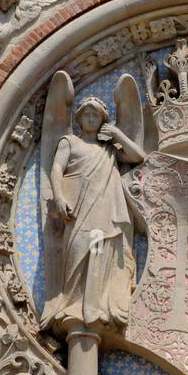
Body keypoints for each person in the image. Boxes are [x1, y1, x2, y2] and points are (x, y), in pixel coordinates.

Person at [43, 97, 145, 336]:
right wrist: (58, 196)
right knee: (77, 251)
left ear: (102, 120)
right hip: (77, 210)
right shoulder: (70, 142)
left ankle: (96, 306)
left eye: (96, 115)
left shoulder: (109, 149)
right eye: (87, 114)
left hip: (105, 211)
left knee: (101, 253)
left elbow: (137, 156)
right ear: (79, 118)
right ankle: (71, 302)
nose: (91, 119)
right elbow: (57, 168)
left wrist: (118, 135)